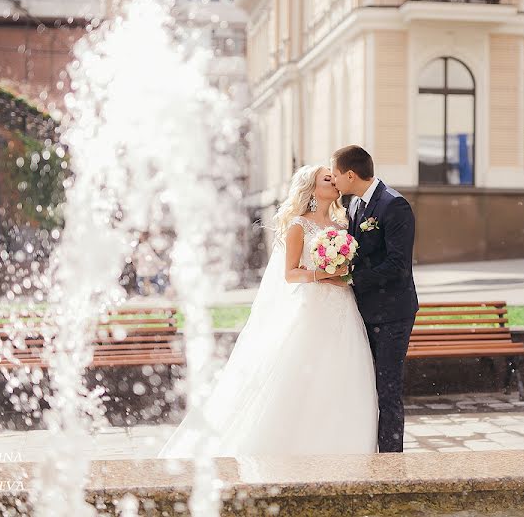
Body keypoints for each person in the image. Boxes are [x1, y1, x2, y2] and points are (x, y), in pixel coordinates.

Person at [158, 165, 378, 458]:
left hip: (342, 305)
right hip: (312, 307)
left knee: (344, 373)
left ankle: (345, 448)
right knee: (304, 374)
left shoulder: (341, 225)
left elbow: (346, 268)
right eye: (328, 178)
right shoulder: (300, 225)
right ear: (312, 189)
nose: (335, 181)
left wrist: (344, 272)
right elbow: (290, 274)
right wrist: (320, 275)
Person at [330, 145, 418, 453]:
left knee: (388, 390)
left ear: (351, 175)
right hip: (365, 310)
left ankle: (392, 463)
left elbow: (398, 265)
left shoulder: (395, 205)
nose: (334, 179)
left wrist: (351, 279)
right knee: (366, 387)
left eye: (336, 174)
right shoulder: (354, 206)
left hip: (393, 313)